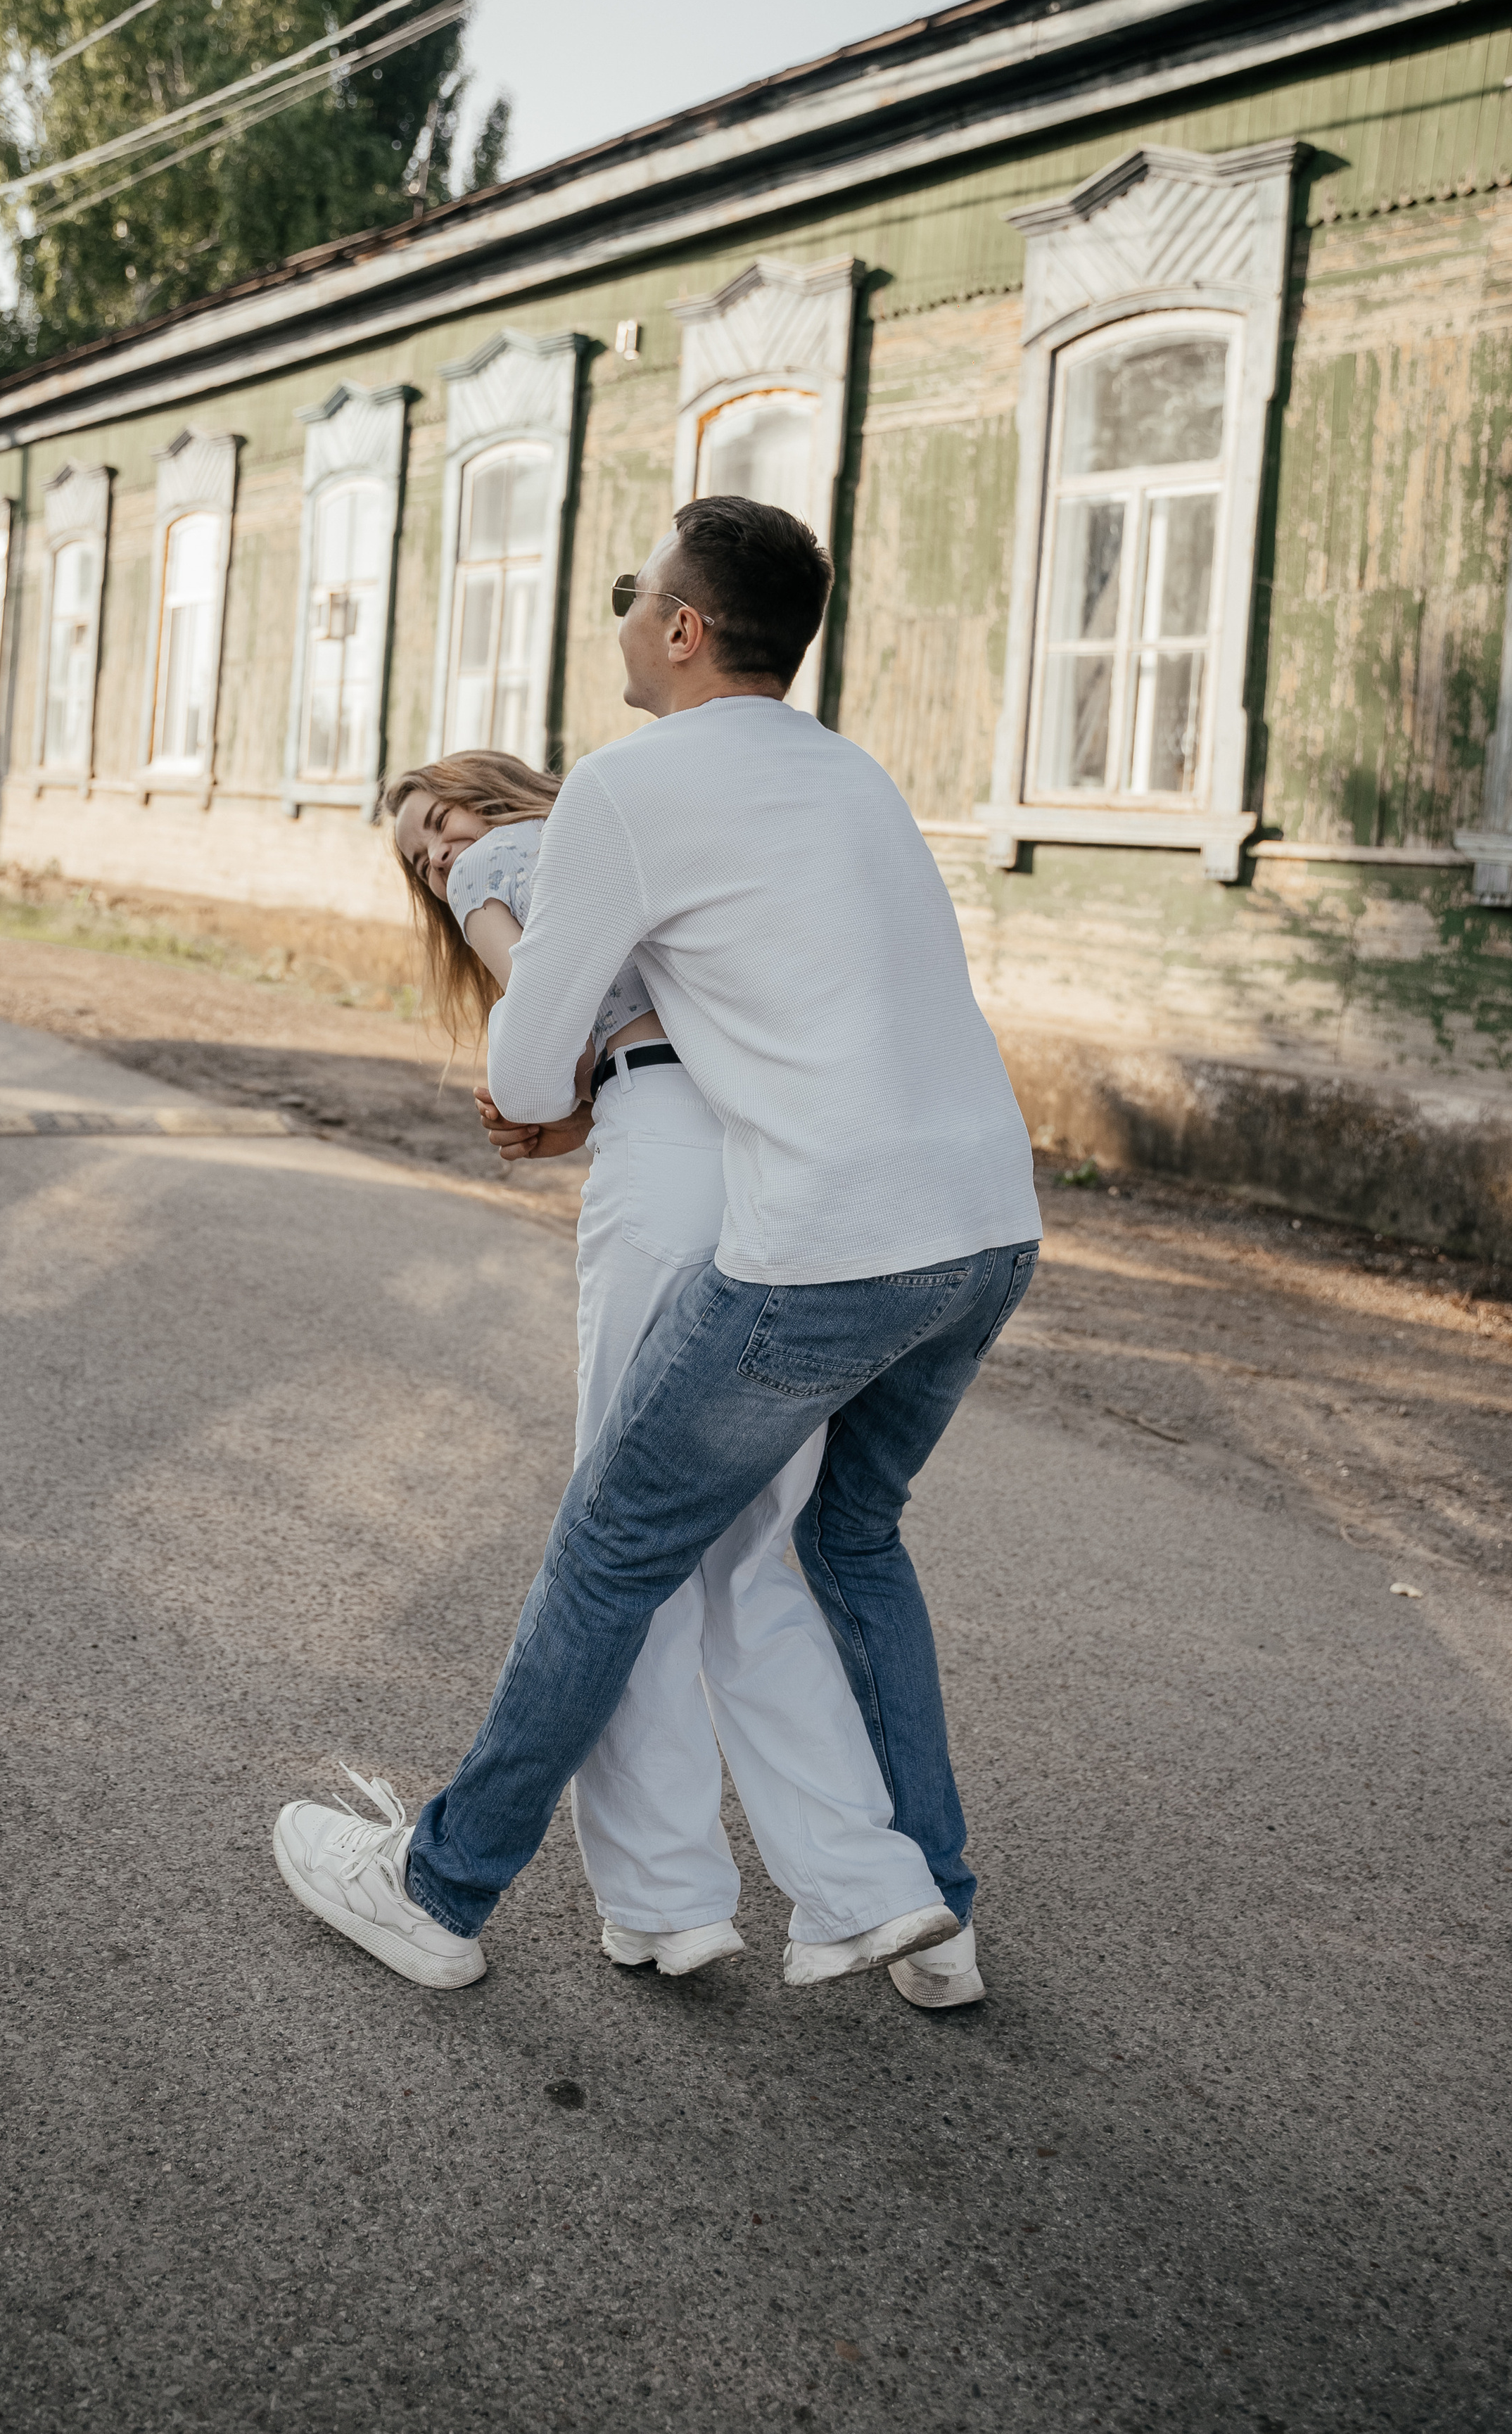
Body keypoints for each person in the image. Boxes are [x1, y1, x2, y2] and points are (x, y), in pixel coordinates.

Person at [272, 494, 1041, 1998]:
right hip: (984, 1231)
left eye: (634, 592)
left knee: (614, 1542)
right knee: (843, 1543)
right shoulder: (853, 775)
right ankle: (919, 1909)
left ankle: (435, 1889)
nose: (621, 613)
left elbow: (519, 1071)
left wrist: (533, 1079)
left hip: (822, 1245)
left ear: (681, 629)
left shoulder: (628, 789)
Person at [350, 745, 958, 1989]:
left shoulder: (512, 862)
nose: (440, 855)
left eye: (440, 819)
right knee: (748, 1551)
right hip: (765, 1169)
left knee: (614, 1544)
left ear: (493, 794)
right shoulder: (664, 852)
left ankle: (666, 1897)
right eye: (421, 856)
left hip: (662, 1165)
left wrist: (540, 1086)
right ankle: (864, 1882)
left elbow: (540, 1027)